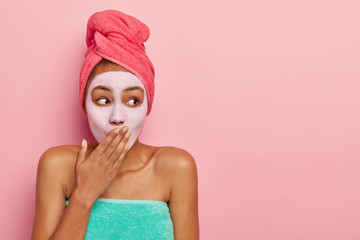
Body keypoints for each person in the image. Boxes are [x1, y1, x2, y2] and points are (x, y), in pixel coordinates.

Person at [31, 9, 199, 240]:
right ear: (84, 104)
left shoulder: (176, 167)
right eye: (103, 99)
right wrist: (85, 193)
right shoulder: (57, 166)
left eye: (132, 100)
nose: (117, 117)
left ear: (148, 105)